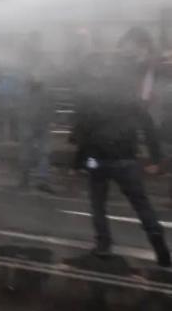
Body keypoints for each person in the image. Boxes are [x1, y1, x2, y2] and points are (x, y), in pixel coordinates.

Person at [70, 60, 171, 267]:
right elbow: (148, 126)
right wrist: (156, 158)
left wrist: (77, 162)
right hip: (126, 159)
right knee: (141, 204)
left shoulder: (92, 98)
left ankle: (103, 245)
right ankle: (160, 247)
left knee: (98, 203)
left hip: (97, 159)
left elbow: (82, 132)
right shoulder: (129, 99)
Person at [19, 73, 55, 194]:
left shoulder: (24, 95)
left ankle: (24, 179)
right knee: (43, 154)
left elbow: (21, 112)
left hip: (28, 126)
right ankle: (42, 179)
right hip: (42, 127)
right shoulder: (46, 95)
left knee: (26, 153)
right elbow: (50, 110)